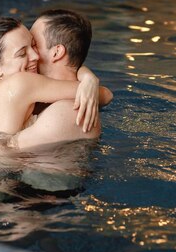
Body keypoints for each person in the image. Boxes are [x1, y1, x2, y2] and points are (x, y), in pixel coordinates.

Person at [0, 16, 110, 143]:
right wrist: (89, 79)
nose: (35, 56)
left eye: (33, 45)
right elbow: (105, 95)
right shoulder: (23, 82)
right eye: (22, 53)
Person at [11, 9, 111, 149]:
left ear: (56, 52)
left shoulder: (67, 112)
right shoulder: (49, 98)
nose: (30, 53)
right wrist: (88, 77)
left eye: (33, 44)